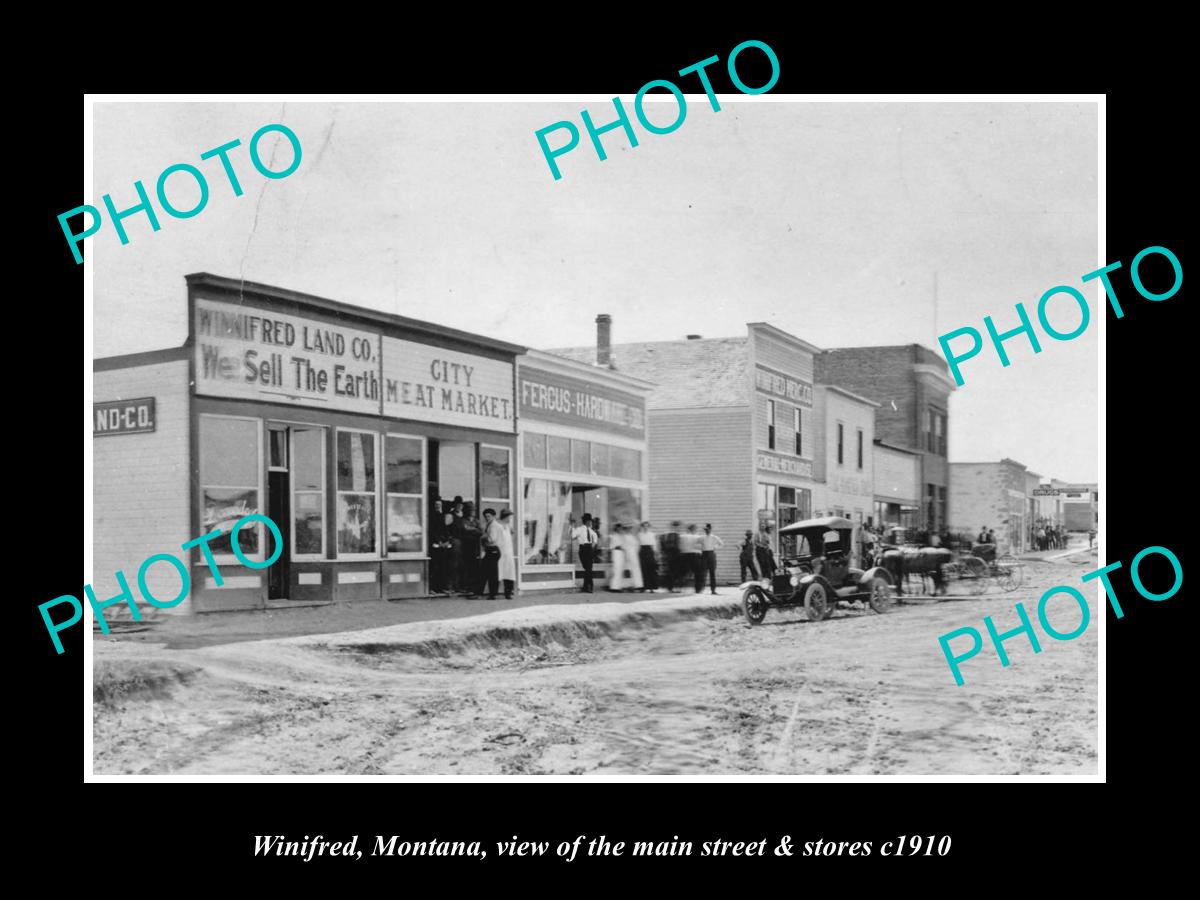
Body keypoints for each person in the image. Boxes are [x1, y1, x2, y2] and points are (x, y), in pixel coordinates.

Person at [570, 513, 599, 593]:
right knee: (588, 568)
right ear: (586, 521)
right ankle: (588, 586)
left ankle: (588, 587)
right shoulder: (580, 529)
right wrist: (572, 527)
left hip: (589, 549)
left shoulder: (590, 530)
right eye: (589, 521)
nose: (590, 523)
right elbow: (572, 536)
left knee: (588, 568)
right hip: (583, 549)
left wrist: (593, 544)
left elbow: (595, 536)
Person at [460, 502, 483, 598]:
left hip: (475, 547)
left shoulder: (476, 521)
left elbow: (481, 531)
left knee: (474, 567)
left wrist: (471, 529)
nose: (473, 512)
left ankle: (473, 588)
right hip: (465, 547)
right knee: (465, 567)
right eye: (471, 510)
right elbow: (464, 530)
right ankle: (466, 587)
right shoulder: (462, 520)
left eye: (473, 510)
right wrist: (474, 530)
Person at [479, 508, 503, 599]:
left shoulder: (494, 526)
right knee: (487, 572)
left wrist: (483, 537)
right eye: (485, 516)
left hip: (493, 549)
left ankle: (492, 594)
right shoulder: (490, 525)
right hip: (492, 550)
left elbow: (491, 539)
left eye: (489, 516)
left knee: (490, 573)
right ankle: (489, 593)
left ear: (494, 516)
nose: (487, 518)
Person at [497, 509, 517, 599]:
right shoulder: (498, 525)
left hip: (508, 552)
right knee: (500, 571)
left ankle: (509, 592)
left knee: (509, 572)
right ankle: (495, 591)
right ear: (505, 516)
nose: (510, 518)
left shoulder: (508, 526)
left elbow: (512, 535)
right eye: (509, 516)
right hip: (500, 552)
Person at [699, 524, 723, 594]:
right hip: (704, 554)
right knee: (703, 572)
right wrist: (701, 548)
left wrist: (715, 547)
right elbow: (696, 544)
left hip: (711, 554)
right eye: (705, 530)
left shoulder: (714, 537)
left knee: (712, 573)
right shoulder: (702, 537)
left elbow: (721, 544)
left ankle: (713, 590)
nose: (706, 531)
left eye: (708, 530)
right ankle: (701, 589)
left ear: (710, 529)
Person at [621, 523, 644, 592]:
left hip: (634, 554)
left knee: (636, 570)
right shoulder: (624, 537)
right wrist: (626, 554)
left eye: (629, 528)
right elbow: (623, 546)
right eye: (627, 528)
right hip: (627, 554)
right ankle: (627, 585)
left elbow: (637, 545)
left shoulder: (633, 536)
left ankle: (638, 585)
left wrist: (636, 551)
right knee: (628, 570)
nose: (628, 530)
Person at [661, 521, 682, 592]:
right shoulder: (671, 535)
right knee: (672, 571)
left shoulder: (677, 535)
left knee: (675, 571)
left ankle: (672, 587)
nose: (677, 528)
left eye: (677, 526)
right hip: (671, 555)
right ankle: (671, 587)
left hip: (675, 555)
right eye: (676, 526)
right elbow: (668, 545)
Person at [637, 522, 659, 592]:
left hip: (650, 550)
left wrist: (655, 554)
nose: (645, 528)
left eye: (647, 526)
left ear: (649, 527)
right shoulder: (639, 535)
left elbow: (654, 545)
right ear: (642, 527)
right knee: (643, 569)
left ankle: (652, 587)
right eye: (644, 526)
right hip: (642, 550)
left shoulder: (652, 534)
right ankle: (643, 587)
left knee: (651, 568)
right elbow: (637, 544)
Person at [681, 524, 703, 592]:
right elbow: (701, 546)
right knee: (698, 573)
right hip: (696, 554)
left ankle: (680, 587)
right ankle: (698, 589)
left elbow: (681, 546)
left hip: (685, 554)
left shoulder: (682, 536)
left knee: (683, 572)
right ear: (695, 530)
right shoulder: (698, 537)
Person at [607, 524, 628, 592]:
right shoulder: (613, 536)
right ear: (616, 529)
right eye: (618, 528)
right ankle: (614, 587)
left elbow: (624, 545)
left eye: (621, 528)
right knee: (616, 570)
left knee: (620, 570)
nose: (620, 530)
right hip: (616, 553)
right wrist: (619, 547)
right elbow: (611, 546)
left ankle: (618, 587)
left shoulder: (622, 536)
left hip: (621, 553)